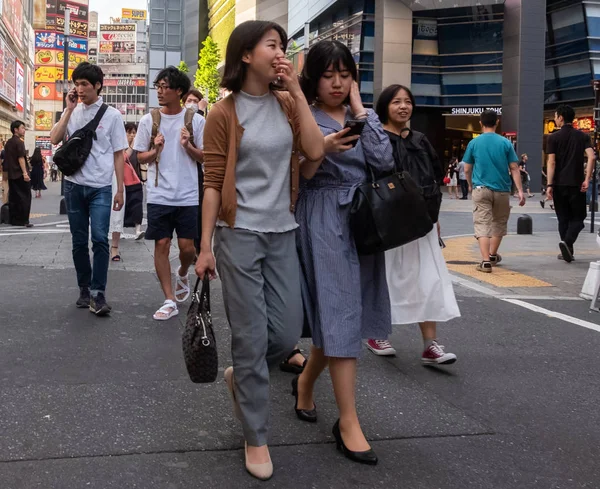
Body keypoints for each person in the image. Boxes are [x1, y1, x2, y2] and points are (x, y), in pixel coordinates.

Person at [195, 21, 323, 480]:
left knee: (287, 333)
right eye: (273, 45)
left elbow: (313, 152)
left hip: (282, 230)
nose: (281, 52)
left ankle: (242, 376)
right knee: (249, 338)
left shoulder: (287, 103)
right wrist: (205, 246)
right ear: (247, 54)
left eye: (282, 46)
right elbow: (211, 184)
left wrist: (298, 92)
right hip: (238, 233)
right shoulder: (223, 114)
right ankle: (256, 435)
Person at [293, 40, 393, 467]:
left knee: (342, 314)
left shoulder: (359, 114)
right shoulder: (301, 114)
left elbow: (384, 159)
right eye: (328, 75)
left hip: (362, 220)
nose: (336, 83)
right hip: (322, 216)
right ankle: (348, 421)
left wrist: (359, 108)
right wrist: (323, 150)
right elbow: (294, 172)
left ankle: (303, 386)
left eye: (345, 74)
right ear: (313, 79)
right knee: (338, 311)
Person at [365, 84, 459, 364]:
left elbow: (433, 177)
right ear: (385, 106)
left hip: (422, 222)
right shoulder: (375, 138)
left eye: (407, 101)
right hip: (389, 222)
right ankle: (376, 332)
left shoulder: (420, 139)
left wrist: (436, 218)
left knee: (428, 279)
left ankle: (431, 344)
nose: (403, 106)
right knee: (387, 277)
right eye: (396, 102)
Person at [50, 62, 128, 316]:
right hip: (74, 186)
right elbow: (54, 139)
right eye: (77, 84)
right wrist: (68, 111)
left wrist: (120, 189)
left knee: (100, 240)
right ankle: (84, 288)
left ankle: (98, 293)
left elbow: (119, 155)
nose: (79, 89)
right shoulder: (71, 111)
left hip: (101, 188)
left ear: (97, 85)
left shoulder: (112, 115)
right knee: (78, 241)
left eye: (84, 84)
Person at [134, 67, 205, 321]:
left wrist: (188, 146)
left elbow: (205, 157)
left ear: (179, 91)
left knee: (187, 248)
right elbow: (139, 156)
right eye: (158, 87)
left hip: (187, 194)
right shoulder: (148, 121)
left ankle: (183, 271)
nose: (160, 92)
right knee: (161, 243)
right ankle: (169, 299)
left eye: (165, 87)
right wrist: (155, 150)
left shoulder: (196, 121)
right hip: (158, 194)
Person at [463, 110, 525, 273]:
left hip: (481, 188)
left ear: (480, 123)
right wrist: (520, 190)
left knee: (482, 223)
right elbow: (514, 167)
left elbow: (467, 168)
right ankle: (492, 254)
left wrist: (470, 184)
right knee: (498, 223)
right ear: (497, 122)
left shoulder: (474, 143)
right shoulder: (505, 143)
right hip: (502, 190)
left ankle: (485, 262)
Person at [546, 104, 595, 262]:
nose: (555, 119)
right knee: (578, 218)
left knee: (563, 218)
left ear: (560, 117)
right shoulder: (583, 136)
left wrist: (549, 185)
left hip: (559, 185)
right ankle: (568, 247)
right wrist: (587, 179)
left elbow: (551, 162)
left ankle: (567, 245)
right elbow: (592, 157)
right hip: (576, 184)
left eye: (555, 116)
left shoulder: (553, 138)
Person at [182, 89, 207, 254]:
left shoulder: (201, 120)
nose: (191, 103)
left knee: (198, 212)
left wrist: (201, 112)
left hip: (197, 172)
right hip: (178, 173)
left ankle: (196, 249)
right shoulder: (178, 118)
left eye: (195, 100)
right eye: (189, 100)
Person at [5, 121, 32, 227]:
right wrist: (25, 173)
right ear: (15, 129)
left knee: (14, 197)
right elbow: (21, 158)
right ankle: (23, 220)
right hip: (20, 174)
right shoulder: (19, 142)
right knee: (25, 197)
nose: (24, 130)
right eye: (22, 128)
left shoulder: (8, 142)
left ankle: (14, 219)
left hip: (11, 174)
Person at [123, 123, 145, 240]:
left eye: (134, 132)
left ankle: (138, 230)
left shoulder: (138, 148)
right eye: (129, 132)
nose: (132, 135)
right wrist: (131, 145)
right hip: (121, 182)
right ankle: (118, 230)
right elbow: (124, 157)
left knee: (137, 206)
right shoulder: (120, 146)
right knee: (122, 208)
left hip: (135, 181)